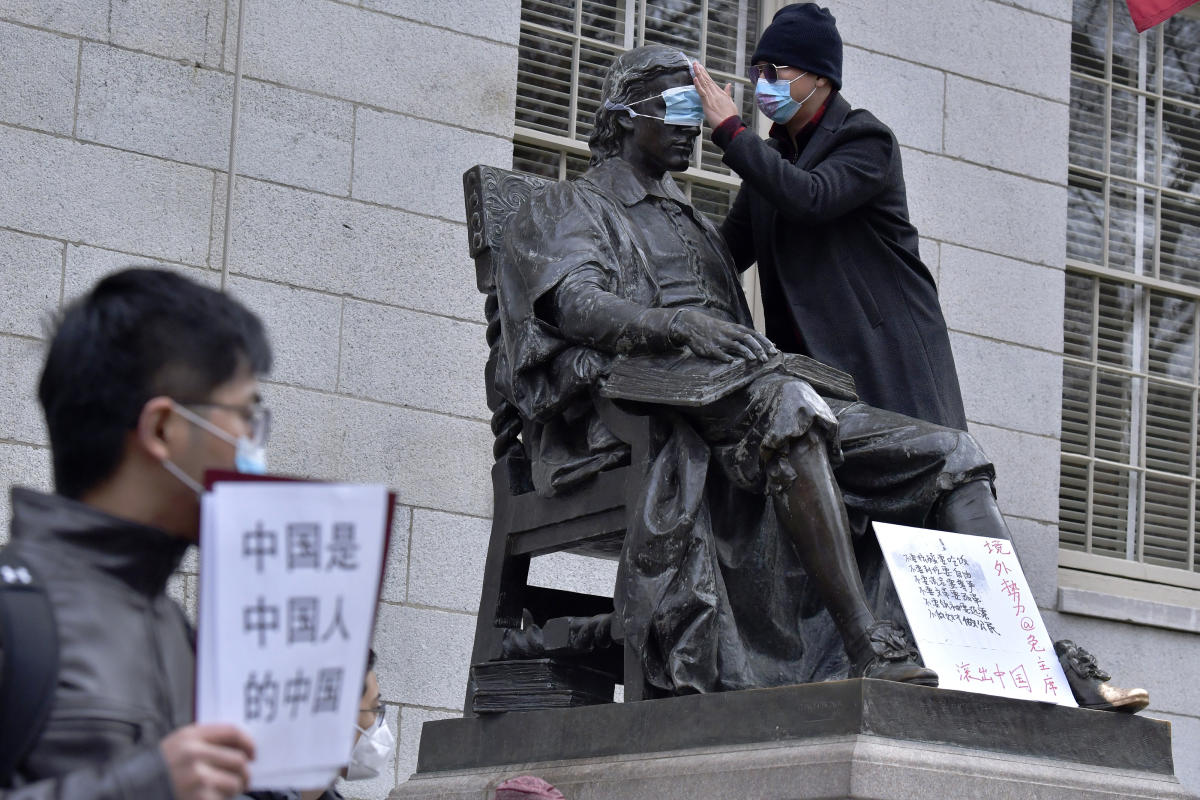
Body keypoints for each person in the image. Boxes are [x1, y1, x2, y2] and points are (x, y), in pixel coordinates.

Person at [496, 44, 1148, 712]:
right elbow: (578, 307)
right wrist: (681, 328)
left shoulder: (691, 223)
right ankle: (869, 647)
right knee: (789, 408)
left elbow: (803, 206)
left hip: (746, 390)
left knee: (953, 454)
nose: (697, 122)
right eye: (683, 105)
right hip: (652, 403)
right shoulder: (565, 206)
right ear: (626, 114)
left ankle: (1035, 657)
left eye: (704, 106)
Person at [0, 269, 270, 798]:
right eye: (245, 416)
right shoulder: (14, 613)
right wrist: (144, 786)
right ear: (163, 430)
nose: (252, 446)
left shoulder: (179, 631)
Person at [691, 3, 967, 430]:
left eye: (774, 71)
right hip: (812, 373)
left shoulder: (865, 138)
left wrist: (731, 131)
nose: (762, 84)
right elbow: (724, 253)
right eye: (756, 71)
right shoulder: (774, 159)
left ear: (819, 76)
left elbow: (811, 199)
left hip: (884, 360)